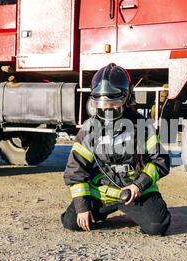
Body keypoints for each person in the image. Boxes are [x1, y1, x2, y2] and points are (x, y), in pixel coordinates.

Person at [61, 63, 171, 236]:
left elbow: (161, 160)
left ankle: (140, 209)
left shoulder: (141, 125)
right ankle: (97, 211)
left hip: (134, 191)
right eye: (102, 102)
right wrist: (82, 207)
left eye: (113, 102)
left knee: (157, 226)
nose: (107, 108)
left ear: (126, 99)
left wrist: (138, 185)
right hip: (101, 192)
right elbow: (76, 170)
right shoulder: (90, 129)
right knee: (71, 222)